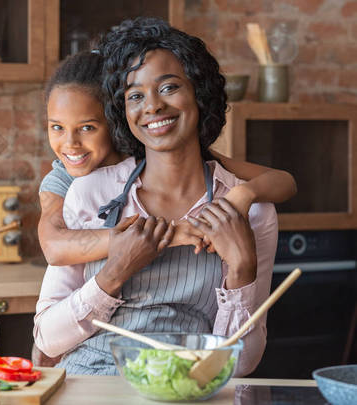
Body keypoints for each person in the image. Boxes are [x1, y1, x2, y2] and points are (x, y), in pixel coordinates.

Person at [34, 18, 281, 377]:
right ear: (123, 110)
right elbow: (46, 339)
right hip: (90, 386)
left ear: (199, 91)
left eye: (168, 88)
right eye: (135, 95)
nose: (152, 106)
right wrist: (115, 272)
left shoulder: (250, 210)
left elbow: (239, 367)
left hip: (187, 390)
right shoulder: (90, 191)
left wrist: (242, 271)